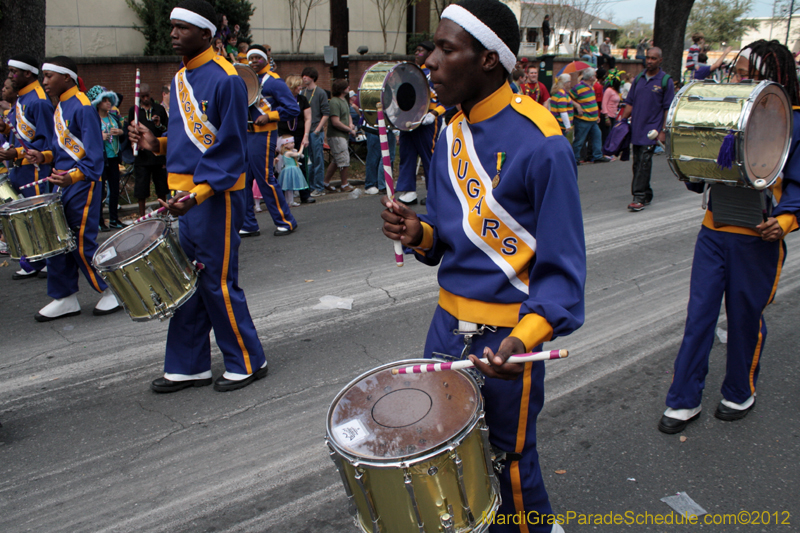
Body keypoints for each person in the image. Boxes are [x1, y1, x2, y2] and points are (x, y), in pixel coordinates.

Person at [381, 1, 585, 531]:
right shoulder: (449, 132)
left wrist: (523, 338)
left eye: (448, 50)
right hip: (445, 328)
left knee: (507, 458)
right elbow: (452, 236)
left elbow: (563, 273)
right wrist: (418, 232)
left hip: (509, 339)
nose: (432, 63)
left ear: (489, 59)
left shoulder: (543, 143)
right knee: (448, 447)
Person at [658, 39, 800, 434]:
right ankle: (683, 400)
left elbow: (798, 188)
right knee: (699, 319)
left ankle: (739, 392)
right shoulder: (725, 114)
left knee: (744, 319)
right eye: (735, 72)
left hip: (758, 239)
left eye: (743, 74)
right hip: (713, 233)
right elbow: (701, 175)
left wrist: (785, 222)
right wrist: (678, 148)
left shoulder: (793, 121)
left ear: (768, 79)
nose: (734, 79)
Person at [128, 0, 268, 393]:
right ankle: (189, 364)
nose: (173, 33)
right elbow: (189, 142)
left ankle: (248, 359)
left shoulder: (227, 79)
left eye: (182, 27)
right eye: (172, 27)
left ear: (206, 34)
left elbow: (231, 149)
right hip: (185, 195)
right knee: (187, 280)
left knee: (217, 281)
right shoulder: (179, 79)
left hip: (216, 196)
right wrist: (156, 144)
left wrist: (199, 192)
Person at [23, 57, 121, 321]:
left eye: (49, 76)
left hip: (82, 183)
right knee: (59, 241)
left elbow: (95, 156)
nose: (44, 82)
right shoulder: (61, 106)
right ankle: (64, 296)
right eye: (43, 77)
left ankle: (112, 288)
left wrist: (73, 177)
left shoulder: (82, 105)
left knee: (80, 242)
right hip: (63, 182)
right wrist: (42, 157)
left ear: (66, 77)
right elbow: (59, 150)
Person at [0, 55, 54, 280]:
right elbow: (21, 134)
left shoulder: (39, 101)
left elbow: (47, 141)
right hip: (20, 167)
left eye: (14, 72)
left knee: (39, 214)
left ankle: (50, 259)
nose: (11, 77)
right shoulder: (22, 98)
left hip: (36, 168)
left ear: (27, 74)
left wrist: (18, 152)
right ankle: (35, 258)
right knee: (25, 215)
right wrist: (4, 129)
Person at [239, 44, 300, 238]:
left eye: (258, 57)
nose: (254, 61)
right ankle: (248, 223)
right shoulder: (246, 79)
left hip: (264, 134)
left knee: (265, 179)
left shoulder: (273, 81)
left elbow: (293, 108)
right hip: (246, 134)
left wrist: (271, 115)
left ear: (266, 59)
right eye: (251, 58)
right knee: (243, 181)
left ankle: (286, 221)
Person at [620, 46, 674, 211]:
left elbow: (668, 108)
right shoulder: (638, 79)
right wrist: (620, 122)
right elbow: (630, 103)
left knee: (643, 162)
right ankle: (647, 192)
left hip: (652, 131)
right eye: (648, 58)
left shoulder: (665, 81)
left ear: (660, 60)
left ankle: (639, 197)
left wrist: (664, 130)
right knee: (637, 163)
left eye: (653, 58)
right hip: (636, 128)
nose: (649, 61)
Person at [395, 40, 445, 205]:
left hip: (427, 120)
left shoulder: (437, 72)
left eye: (420, 50)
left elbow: (447, 99)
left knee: (429, 156)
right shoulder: (411, 71)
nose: (417, 53)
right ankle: (408, 190)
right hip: (409, 118)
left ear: (430, 53)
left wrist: (434, 114)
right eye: (416, 51)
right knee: (407, 153)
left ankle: (434, 192)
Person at [87, 85, 125, 230]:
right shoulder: (93, 119)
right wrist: (99, 136)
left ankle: (114, 219)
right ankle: (99, 221)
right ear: (97, 102)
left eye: (110, 100)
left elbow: (124, 135)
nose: (108, 103)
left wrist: (121, 132)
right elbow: (87, 137)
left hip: (114, 157)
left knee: (115, 190)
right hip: (101, 159)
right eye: (105, 100)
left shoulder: (114, 117)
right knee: (99, 191)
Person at [128, 82, 168, 217]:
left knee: (161, 186)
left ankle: (164, 212)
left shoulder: (159, 109)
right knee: (141, 187)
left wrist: (159, 124)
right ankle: (141, 215)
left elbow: (167, 130)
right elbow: (129, 131)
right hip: (142, 156)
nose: (145, 99)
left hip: (158, 155)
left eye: (147, 96)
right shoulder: (134, 111)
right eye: (142, 96)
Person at [278, 74, 315, 204]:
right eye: (297, 86)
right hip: (283, 135)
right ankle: (281, 196)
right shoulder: (281, 99)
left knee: (302, 164)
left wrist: (306, 135)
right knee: (282, 165)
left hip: (299, 135)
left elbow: (308, 118)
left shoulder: (302, 99)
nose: (300, 87)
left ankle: (305, 194)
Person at [301, 67, 329, 197]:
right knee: (308, 160)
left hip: (315, 131)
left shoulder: (320, 93)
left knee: (317, 159)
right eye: (303, 76)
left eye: (307, 76)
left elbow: (326, 113)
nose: (304, 78)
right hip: (306, 131)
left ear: (313, 77)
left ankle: (319, 187)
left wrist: (318, 129)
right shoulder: (302, 92)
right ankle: (310, 186)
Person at [570, 68, 607, 165]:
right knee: (580, 139)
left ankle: (597, 156)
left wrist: (596, 115)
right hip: (583, 119)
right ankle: (575, 158)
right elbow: (569, 98)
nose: (595, 77)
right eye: (594, 75)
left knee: (597, 136)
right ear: (590, 77)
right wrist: (577, 106)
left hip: (592, 118)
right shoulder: (578, 87)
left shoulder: (591, 87)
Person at [324, 78, 356, 192]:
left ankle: (326, 182)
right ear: (342, 89)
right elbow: (335, 121)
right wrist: (349, 129)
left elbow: (348, 115)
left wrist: (351, 124)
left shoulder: (344, 101)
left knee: (337, 160)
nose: (348, 88)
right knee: (344, 159)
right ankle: (344, 184)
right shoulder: (334, 102)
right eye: (346, 86)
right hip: (336, 135)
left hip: (343, 135)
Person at [276, 135, 306, 207]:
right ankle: (290, 201)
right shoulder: (288, 153)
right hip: (290, 170)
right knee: (289, 188)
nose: (293, 144)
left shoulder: (289, 152)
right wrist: (302, 146)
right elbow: (298, 154)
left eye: (293, 142)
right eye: (291, 143)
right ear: (285, 145)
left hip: (291, 169)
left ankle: (288, 201)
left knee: (289, 188)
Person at [549, 73, 573, 138]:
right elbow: (563, 112)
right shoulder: (562, 95)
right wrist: (567, 126)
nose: (570, 83)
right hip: (561, 125)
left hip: (556, 123)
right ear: (565, 83)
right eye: (569, 81)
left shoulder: (556, 93)